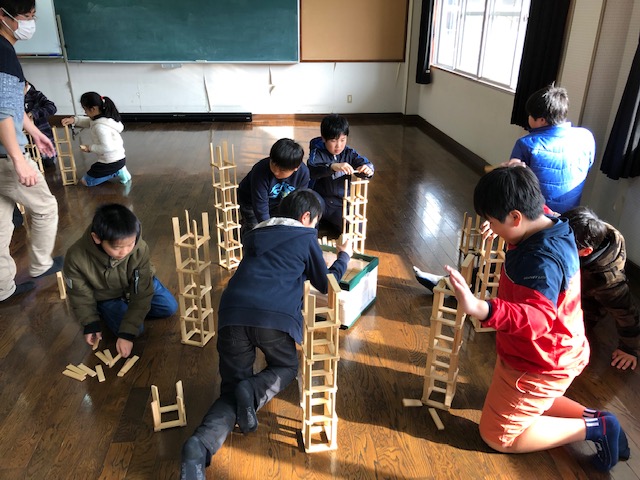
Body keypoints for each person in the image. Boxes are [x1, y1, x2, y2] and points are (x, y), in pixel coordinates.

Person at [444, 166, 629, 472]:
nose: (491, 228)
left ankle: (596, 428)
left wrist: (481, 308)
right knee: (527, 402)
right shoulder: (551, 220)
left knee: (497, 435)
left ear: (516, 217)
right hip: (550, 351)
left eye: (493, 221)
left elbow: (538, 319)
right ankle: (597, 419)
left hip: (541, 362)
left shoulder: (541, 261)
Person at [180, 189, 352, 479]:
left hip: (232, 314)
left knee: (232, 391)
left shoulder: (255, 235)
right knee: (286, 367)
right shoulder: (305, 236)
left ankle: (199, 446)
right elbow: (326, 283)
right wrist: (343, 255)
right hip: (273, 318)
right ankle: (253, 390)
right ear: (306, 217)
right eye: (316, 222)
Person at [0, 0, 62, 303]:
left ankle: (2, 288)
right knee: (45, 208)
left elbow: (12, 104)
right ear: (3, 15)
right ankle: (40, 265)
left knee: (1, 224)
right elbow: (1, 111)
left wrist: (35, 133)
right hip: (5, 157)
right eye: (26, 16)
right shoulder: (3, 53)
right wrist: (18, 160)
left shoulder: (6, 51)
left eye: (33, 16)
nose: (30, 24)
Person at [62, 204, 178, 358]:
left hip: (134, 286)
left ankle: (130, 310)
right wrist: (90, 323)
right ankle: (113, 310)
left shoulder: (140, 248)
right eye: (117, 247)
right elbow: (79, 294)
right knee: (136, 330)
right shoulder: (75, 256)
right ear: (97, 238)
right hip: (106, 296)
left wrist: (127, 330)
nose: (125, 251)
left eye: (130, 244)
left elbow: (142, 290)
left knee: (169, 307)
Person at [563, 206, 638, 371]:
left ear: (585, 251)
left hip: (588, 297)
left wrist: (630, 348)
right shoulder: (583, 230)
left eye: (564, 246)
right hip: (579, 276)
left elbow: (626, 311)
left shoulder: (607, 282)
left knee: (566, 333)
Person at [508, 84, 595, 214]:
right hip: (570, 216)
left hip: (535, 217)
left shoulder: (526, 144)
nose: (528, 118)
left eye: (530, 115)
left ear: (542, 120)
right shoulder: (586, 137)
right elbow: (587, 167)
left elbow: (514, 185)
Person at [307, 114, 374, 230]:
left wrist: (367, 168)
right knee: (308, 219)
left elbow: (363, 162)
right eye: (333, 141)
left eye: (343, 140)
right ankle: (322, 221)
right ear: (324, 139)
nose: (338, 145)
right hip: (320, 200)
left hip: (340, 204)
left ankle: (328, 221)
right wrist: (332, 167)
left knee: (357, 227)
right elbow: (312, 169)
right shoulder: (317, 152)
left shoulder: (349, 153)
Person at [237, 138, 309, 237]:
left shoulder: (303, 174)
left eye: (282, 170)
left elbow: (298, 201)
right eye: (273, 164)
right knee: (255, 228)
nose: (276, 171)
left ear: (296, 168)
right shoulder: (260, 170)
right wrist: (269, 229)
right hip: (251, 201)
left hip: (278, 202)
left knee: (283, 226)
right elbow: (260, 206)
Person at [61, 92, 131, 187]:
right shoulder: (103, 118)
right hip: (117, 159)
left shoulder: (100, 127)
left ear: (93, 109)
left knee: (86, 182)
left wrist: (90, 148)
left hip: (112, 162)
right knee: (91, 175)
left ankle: (117, 172)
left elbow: (107, 147)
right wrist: (74, 120)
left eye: (85, 109)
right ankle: (119, 169)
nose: (85, 112)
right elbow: (89, 122)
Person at [24, 80, 57, 168]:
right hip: (26, 141)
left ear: (26, 85)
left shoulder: (35, 95)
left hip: (42, 133)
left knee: (48, 163)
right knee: (31, 164)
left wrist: (34, 113)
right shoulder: (11, 98)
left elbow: (52, 108)